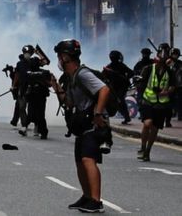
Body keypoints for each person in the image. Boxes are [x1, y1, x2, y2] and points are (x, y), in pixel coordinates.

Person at [54, 39, 110, 213]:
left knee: (88, 159)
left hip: (93, 123)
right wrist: (56, 87)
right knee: (80, 161)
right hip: (82, 123)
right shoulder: (71, 78)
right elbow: (69, 103)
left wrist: (98, 114)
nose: (58, 60)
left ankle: (96, 201)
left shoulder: (83, 74)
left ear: (64, 57)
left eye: (59, 56)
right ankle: (86, 197)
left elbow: (104, 90)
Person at [136, 43, 175, 162]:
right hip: (148, 101)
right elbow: (140, 84)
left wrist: (166, 92)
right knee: (147, 123)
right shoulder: (148, 68)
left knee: (155, 128)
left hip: (162, 104)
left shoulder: (170, 71)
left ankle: (148, 151)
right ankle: (142, 147)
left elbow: (173, 85)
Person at [103, 50, 135, 125]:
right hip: (114, 88)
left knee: (120, 101)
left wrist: (125, 78)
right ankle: (126, 116)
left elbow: (131, 73)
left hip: (122, 87)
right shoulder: (109, 67)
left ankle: (127, 117)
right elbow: (103, 76)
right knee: (118, 102)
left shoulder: (120, 66)